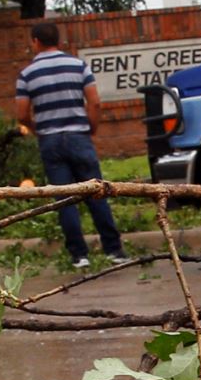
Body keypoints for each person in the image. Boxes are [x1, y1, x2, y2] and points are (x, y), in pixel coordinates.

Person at [12, 20, 123, 269]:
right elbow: (94, 102)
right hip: (79, 136)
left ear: (35, 42)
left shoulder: (27, 74)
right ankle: (114, 250)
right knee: (97, 192)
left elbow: (21, 114)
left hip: (50, 140)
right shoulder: (78, 66)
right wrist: (91, 127)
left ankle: (79, 255)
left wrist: (37, 127)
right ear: (58, 41)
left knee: (64, 198)